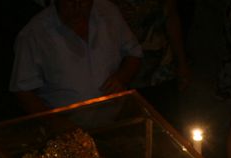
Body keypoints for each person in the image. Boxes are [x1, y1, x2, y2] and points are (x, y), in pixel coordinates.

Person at [9, 0, 142, 114]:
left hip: (115, 119)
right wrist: (54, 121)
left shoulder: (108, 12)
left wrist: (122, 77)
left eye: (83, 1)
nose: (77, 6)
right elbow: (23, 91)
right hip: (65, 124)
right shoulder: (33, 34)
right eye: (70, 0)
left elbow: (134, 53)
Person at [109, 0, 191, 126]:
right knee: (131, 124)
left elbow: (171, 16)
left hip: (160, 69)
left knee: (166, 122)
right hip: (125, 70)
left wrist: (182, 63)